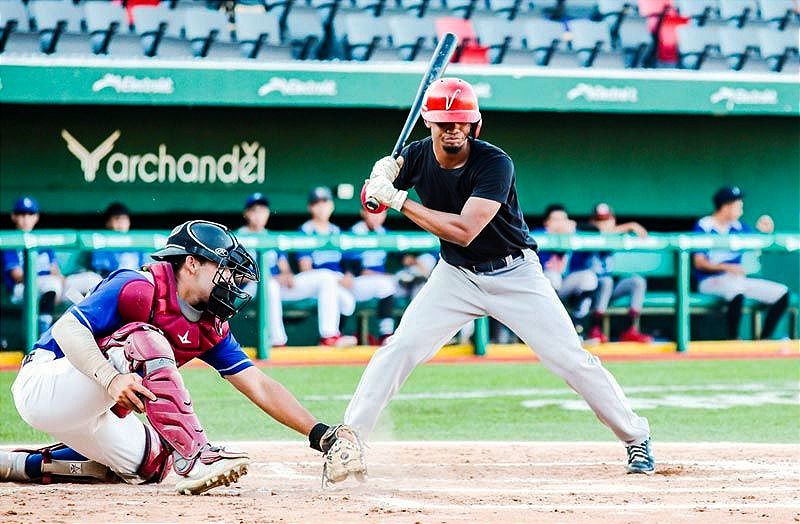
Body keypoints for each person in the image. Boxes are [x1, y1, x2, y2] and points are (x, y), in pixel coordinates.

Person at [353, 78, 654, 475]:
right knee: (400, 349)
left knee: (570, 359)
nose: (453, 129)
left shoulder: (495, 163)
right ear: (430, 123)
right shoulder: (415, 157)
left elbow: (464, 229)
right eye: (445, 122)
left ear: (475, 124)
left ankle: (636, 438)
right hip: (456, 276)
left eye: (461, 121)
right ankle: (350, 440)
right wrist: (377, 181)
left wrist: (399, 199)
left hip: (514, 273)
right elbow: (372, 205)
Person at [1, 220, 365, 493]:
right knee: (144, 338)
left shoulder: (209, 323)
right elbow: (67, 330)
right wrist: (110, 379)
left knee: (152, 463)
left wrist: (321, 434)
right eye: (222, 270)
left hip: (92, 412)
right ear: (191, 263)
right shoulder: (140, 285)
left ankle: (20, 465)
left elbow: (259, 384)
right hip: (45, 385)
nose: (231, 283)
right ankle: (195, 456)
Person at [237, 192, 355, 347]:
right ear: (247, 213)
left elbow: (284, 269)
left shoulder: (272, 237)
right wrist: (264, 278)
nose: (259, 215)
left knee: (326, 277)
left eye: (263, 211)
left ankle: (329, 336)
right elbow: (233, 275)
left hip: (277, 287)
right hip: (250, 289)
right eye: (255, 211)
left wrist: (287, 275)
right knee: (270, 285)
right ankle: (277, 341)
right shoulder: (238, 238)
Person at [693, 186, 789, 340]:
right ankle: (734, 339)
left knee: (782, 293)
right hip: (709, 281)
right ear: (726, 205)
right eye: (738, 204)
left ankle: (763, 340)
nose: (741, 208)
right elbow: (699, 262)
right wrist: (727, 267)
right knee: (735, 289)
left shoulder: (738, 226)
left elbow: (756, 242)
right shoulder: (704, 225)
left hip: (736, 280)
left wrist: (764, 233)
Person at [567, 203, 653, 344]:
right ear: (592, 221)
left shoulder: (615, 236)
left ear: (613, 220)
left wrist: (627, 228)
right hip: (586, 292)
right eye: (599, 220)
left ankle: (631, 330)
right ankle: (596, 328)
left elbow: (643, 236)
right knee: (606, 282)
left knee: (637, 282)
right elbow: (591, 230)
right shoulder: (586, 233)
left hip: (608, 291)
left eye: (606, 220)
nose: (603, 224)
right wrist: (630, 225)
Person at [296, 187, 358, 347]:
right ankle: (329, 337)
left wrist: (348, 275)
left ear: (332, 205)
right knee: (326, 277)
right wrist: (337, 279)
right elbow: (305, 268)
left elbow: (347, 263)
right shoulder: (305, 230)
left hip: (332, 284)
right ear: (310, 207)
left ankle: (336, 335)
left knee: (348, 302)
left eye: (325, 202)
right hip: (310, 281)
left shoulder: (336, 231)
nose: (322, 206)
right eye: (317, 203)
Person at [2, 196, 63, 334]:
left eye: (30, 214)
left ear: (36, 217)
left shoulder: (42, 240)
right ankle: (44, 332)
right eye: (21, 214)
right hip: (21, 289)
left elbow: (56, 271)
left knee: (86, 282)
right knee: (51, 285)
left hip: (50, 288)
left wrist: (63, 283)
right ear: (13, 217)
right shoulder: (11, 241)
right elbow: (17, 275)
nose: (25, 218)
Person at [64, 203, 148, 302]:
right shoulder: (100, 242)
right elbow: (102, 272)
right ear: (108, 222)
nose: (121, 223)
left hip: (132, 286)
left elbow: (144, 270)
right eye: (117, 219)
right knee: (80, 285)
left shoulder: (137, 244)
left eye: (124, 219)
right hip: (107, 285)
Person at [533, 204, 597, 331]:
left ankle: (578, 326)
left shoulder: (574, 235)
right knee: (552, 276)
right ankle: (550, 327)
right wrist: (552, 234)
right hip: (543, 290)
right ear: (547, 222)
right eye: (556, 220)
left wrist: (573, 233)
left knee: (588, 277)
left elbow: (596, 234)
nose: (560, 224)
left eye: (563, 220)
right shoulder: (539, 234)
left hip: (567, 285)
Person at [344, 208, 399, 345]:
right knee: (385, 284)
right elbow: (356, 269)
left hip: (378, 282)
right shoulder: (355, 232)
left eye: (381, 212)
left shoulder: (385, 233)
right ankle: (385, 334)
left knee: (407, 282)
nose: (377, 216)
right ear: (363, 212)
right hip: (356, 283)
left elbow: (403, 257)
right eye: (373, 212)